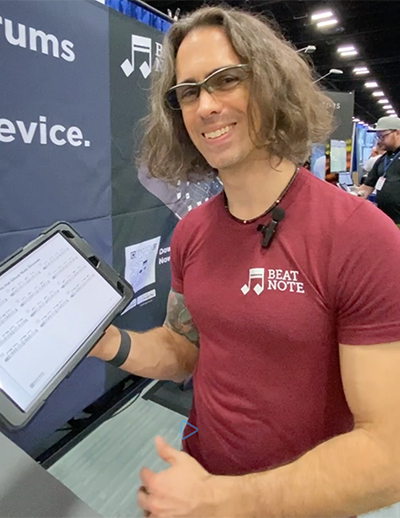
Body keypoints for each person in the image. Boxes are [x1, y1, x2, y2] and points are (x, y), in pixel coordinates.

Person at [90, 6, 400, 518]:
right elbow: (183, 348)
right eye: (188, 91)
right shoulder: (192, 232)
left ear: (272, 85)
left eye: (226, 79)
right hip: (200, 478)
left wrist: (222, 501)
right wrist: (105, 342)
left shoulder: (362, 237)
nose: (206, 105)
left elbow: (389, 456)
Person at [358, 116, 400, 228]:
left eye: (382, 136)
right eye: (378, 136)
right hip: (386, 220)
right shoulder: (383, 159)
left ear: (397, 133)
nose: (379, 140)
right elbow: (367, 187)